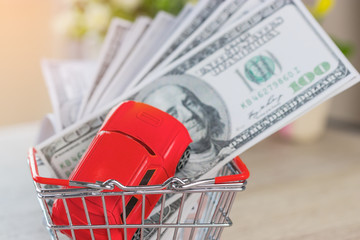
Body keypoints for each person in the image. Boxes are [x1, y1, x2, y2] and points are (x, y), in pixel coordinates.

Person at [134, 76, 230, 179]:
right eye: (173, 114)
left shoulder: (228, 149)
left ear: (202, 106)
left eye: (189, 103)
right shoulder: (165, 180)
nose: (188, 114)